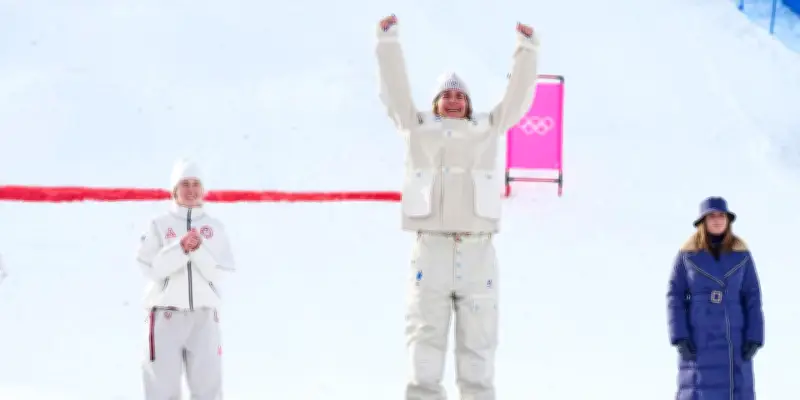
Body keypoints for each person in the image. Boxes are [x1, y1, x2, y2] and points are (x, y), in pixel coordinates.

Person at [375, 14, 540, 400]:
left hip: (477, 251)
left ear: (468, 104)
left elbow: (516, 100)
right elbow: (395, 92)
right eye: (446, 96)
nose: (453, 100)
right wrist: (387, 41)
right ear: (435, 104)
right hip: (430, 251)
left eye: (460, 96)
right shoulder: (417, 128)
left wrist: (527, 50)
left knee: (479, 350)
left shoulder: (487, 128)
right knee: (424, 348)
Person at [136, 158, 235, 400]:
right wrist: (180, 249)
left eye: (195, 184)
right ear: (174, 190)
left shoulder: (215, 228)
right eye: (185, 184)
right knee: (161, 391)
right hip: (165, 318)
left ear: (203, 189)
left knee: (208, 391)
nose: (191, 190)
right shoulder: (159, 225)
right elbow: (150, 267)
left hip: (203, 319)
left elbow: (221, 272)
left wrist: (198, 251)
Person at [667, 196, 765, 400]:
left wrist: (755, 336)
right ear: (703, 221)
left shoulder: (742, 255)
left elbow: (753, 297)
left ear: (728, 220)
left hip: (735, 340)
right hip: (699, 340)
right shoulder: (687, 255)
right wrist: (679, 336)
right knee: (699, 389)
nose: (717, 220)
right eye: (712, 216)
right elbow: (674, 295)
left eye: (722, 216)